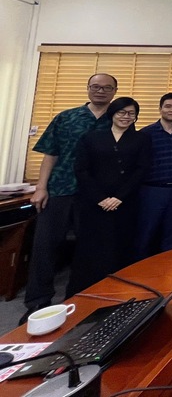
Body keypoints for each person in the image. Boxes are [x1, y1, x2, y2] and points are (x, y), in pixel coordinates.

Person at [21, 73, 118, 323]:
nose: (100, 91)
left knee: (89, 250)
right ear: (87, 88)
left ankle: (81, 300)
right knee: (45, 246)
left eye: (107, 88)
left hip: (96, 195)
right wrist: (41, 187)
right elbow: (50, 154)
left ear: (114, 92)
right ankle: (38, 302)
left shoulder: (117, 119)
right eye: (96, 86)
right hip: (60, 189)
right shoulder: (66, 117)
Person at [67, 97, 152, 297]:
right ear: (112, 114)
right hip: (94, 203)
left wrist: (119, 197)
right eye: (121, 112)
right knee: (91, 249)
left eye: (131, 113)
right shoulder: (92, 138)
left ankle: (119, 296)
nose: (126, 117)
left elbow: (142, 169)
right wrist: (101, 198)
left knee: (122, 247)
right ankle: (85, 297)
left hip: (126, 202)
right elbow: (82, 170)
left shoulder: (142, 139)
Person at [134, 92, 172, 260]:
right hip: (152, 191)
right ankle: (139, 273)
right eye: (168, 106)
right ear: (160, 109)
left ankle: (166, 274)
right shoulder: (145, 134)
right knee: (145, 234)